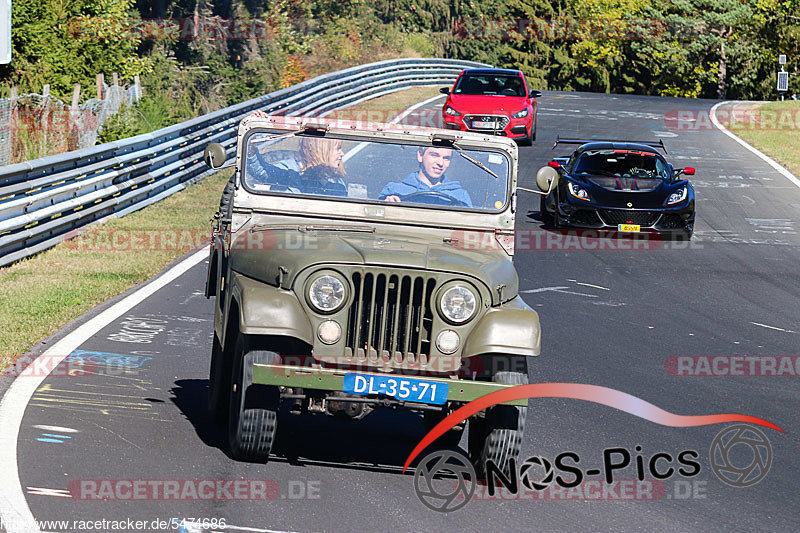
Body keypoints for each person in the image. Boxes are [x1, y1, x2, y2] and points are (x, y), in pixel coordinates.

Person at [379, 146, 472, 207]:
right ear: (420, 155)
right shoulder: (394, 190)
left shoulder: (460, 196)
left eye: (446, 158)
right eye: (434, 155)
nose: (440, 163)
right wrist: (387, 206)